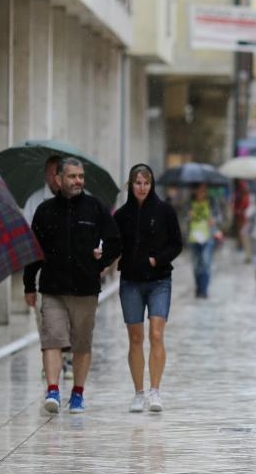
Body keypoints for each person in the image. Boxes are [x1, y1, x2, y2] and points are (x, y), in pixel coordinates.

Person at [23, 158, 122, 414]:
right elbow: (34, 252)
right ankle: (53, 391)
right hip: (53, 287)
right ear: (59, 179)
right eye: (72, 176)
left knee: (81, 344)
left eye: (80, 176)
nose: (78, 181)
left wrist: (105, 259)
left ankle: (77, 394)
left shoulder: (95, 208)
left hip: (85, 288)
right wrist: (28, 286)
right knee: (52, 340)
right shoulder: (44, 211)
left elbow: (115, 240)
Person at [114, 164, 183, 413]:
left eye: (146, 182)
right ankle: (138, 392)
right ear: (130, 185)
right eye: (137, 182)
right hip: (130, 282)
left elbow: (177, 244)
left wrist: (157, 260)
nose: (142, 187)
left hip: (159, 281)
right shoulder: (121, 215)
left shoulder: (165, 211)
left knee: (156, 334)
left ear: (152, 185)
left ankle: (155, 390)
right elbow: (113, 244)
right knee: (135, 337)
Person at [23, 154, 75, 380]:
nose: (55, 178)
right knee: (46, 319)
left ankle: (68, 357)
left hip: (72, 272)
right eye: (52, 173)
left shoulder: (77, 199)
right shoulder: (36, 202)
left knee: (71, 317)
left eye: (59, 173)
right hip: (44, 271)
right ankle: (51, 359)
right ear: (47, 175)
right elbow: (27, 236)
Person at [187, 183, 223, 298]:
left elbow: (219, 217)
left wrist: (214, 221)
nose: (203, 192)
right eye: (200, 189)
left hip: (208, 237)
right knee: (196, 265)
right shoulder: (189, 203)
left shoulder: (212, 202)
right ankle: (198, 288)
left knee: (206, 263)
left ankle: (204, 291)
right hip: (193, 237)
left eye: (204, 189)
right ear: (195, 190)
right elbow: (182, 219)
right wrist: (188, 216)